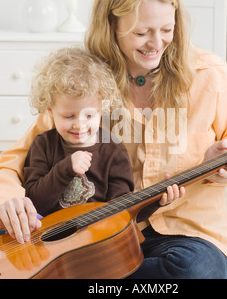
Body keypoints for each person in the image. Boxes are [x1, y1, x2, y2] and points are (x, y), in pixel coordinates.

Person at [0, 0, 227, 279]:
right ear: (111, 26)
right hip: (95, 234)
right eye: (141, 33)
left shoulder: (211, 76)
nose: (157, 44)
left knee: (198, 271)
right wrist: (8, 200)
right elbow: (11, 165)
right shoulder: (84, 80)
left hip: (186, 233)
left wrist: (226, 167)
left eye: (167, 30)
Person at [23, 47, 182, 228]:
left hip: (95, 240)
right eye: (69, 116)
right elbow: (35, 203)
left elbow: (123, 212)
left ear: (102, 110)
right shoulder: (43, 145)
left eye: (89, 116)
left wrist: (156, 201)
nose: (79, 124)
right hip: (49, 239)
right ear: (51, 112)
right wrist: (65, 169)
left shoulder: (113, 150)